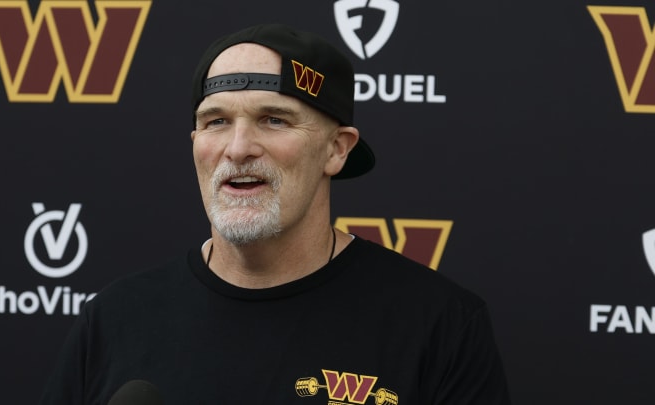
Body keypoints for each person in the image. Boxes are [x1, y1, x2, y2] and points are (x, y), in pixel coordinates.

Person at [39, 23, 511, 404]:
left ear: (336, 150)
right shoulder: (115, 319)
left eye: (274, 119)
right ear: (196, 146)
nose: (239, 148)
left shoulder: (440, 325)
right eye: (216, 122)